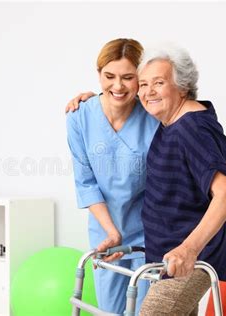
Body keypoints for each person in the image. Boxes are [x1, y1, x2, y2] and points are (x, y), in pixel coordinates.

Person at [136, 44, 226, 315]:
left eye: (158, 83)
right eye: (143, 84)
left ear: (182, 86)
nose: (148, 92)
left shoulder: (190, 127)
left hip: (188, 260)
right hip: (171, 261)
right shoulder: (171, 122)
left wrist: (188, 250)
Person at [66, 38, 159, 314]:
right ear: (98, 75)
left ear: (139, 78)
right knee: (111, 310)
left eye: (128, 77)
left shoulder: (154, 117)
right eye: (109, 76)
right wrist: (111, 231)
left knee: (146, 309)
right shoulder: (79, 116)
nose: (117, 86)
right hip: (106, 232)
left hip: (150, 233)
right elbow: (86, 182)